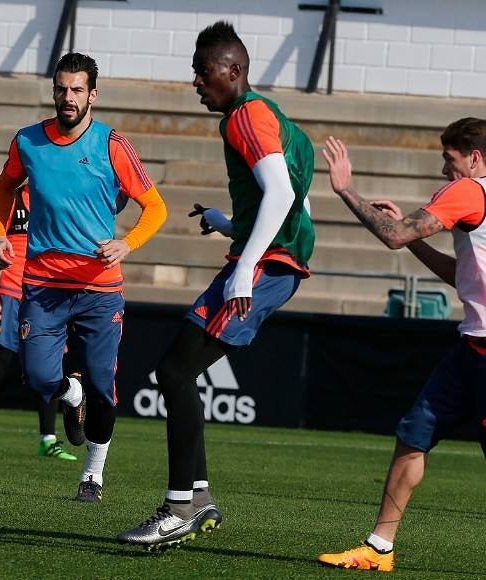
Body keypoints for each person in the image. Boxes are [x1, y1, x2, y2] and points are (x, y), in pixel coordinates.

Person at [316, 118, 486, 572]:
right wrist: (409, 240)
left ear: (474, 157)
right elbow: (460, 275)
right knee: (413, 434)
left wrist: (347, 192)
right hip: (476, 348)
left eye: (450, 159)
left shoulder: (469, 191)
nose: (444, 168)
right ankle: (379, 546)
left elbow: (393, 235)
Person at [118, 21, 316, 549]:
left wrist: (247, 267)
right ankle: (198, 497)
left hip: (266, 267)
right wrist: (229, 223)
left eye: (203, 73)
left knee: (174, 370)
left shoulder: (245, 117)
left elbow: (279, 194)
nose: (196, 83)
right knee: (176, 371)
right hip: (272, 258)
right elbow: (297, 200)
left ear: (233, 71)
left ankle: (179, 507)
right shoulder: (271, 115)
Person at [0, 52, 166, 503]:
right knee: (38, 375)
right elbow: (3, 188)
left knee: (105, 389)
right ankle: (71, 395)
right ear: (53, 91)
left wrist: (128, 244)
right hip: (44, 285)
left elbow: (156, 207)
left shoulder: (112, 145)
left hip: (99, 290)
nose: (68, 97)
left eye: (77, 90)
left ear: (93, 95)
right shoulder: (28, 141)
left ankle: (93, 475)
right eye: (61, 89)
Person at [0, 185, 79, 461]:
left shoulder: (58, 198)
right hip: (12, 293)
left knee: (50, 370)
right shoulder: (12, 199)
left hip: (45, 298)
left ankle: (48, 440)